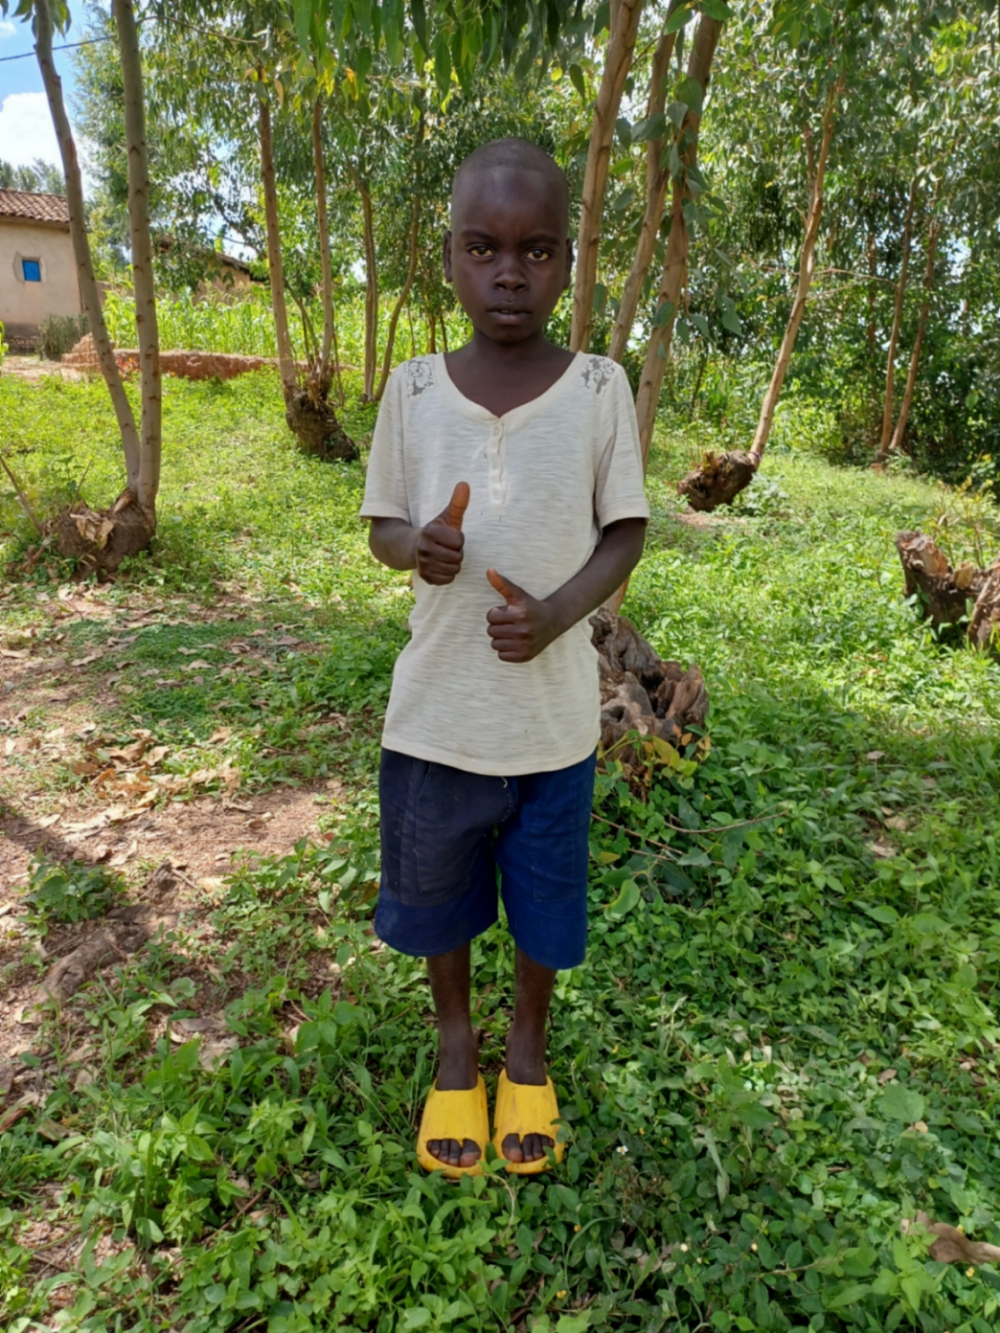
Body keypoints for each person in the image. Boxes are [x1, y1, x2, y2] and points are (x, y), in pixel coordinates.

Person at [361, 138, 648, 1176]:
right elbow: (382, 525)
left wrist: (559, 611)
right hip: (437, 716)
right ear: (449, 257)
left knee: (541, 898)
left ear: (567, 262)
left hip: (550, 727)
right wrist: (417, 548)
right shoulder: (414, 391)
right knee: (438, 893)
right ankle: (455, 1043)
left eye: (535, 251)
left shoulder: (598, 388)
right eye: (483, 248)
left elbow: (625, 529)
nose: (508, 272)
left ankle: (524, 1044)